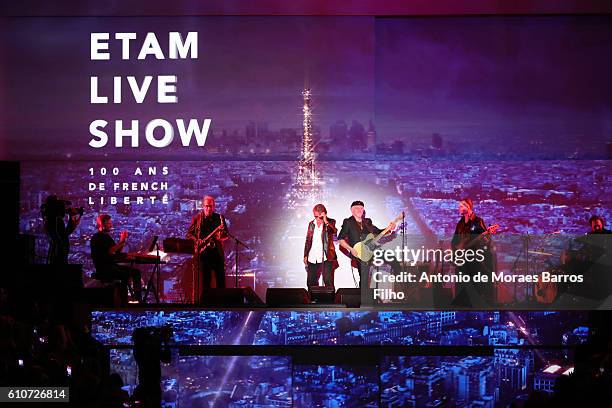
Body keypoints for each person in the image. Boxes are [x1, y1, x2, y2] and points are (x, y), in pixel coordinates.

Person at [338, 201, 397, 291]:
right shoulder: (348, 222)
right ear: (352, 210)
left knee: (392, 258)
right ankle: (363, 300)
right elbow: (340, 239)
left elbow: (378, 233)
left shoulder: (367, 222)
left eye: (362, 208)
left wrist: (389, 228)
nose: (360, 210)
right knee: (364, 277)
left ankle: (403, 280)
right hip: (359, 253)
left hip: (371, 251)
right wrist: (351, 249)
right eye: (357, 208)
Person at [450, 198, 496, 306]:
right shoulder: (460, 223)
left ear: (468, 207)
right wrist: (457, 250)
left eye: (461, 206)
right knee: (461, 288)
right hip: (461, 262)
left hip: (474, 262)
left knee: (473, 292)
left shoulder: (478, 221)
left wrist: (485, 237)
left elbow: (486, 242)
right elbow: (454, 241)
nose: (459, 208)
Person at [90, 214, 142, 302]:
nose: (111, 225)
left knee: (134, 272)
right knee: (133, 273)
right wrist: (121, 243)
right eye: (109, 223)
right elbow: (110, 251)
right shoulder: (98, 237)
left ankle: (128, 299)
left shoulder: (106, 236)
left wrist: (122, 240)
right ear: (102, 224)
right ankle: (133, 300)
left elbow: (116, 250)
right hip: (105, 269)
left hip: (110, 266)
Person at [186, 196, 229, 300]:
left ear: (214, 207)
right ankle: (207, 304)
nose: (208, 209)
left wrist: (220, 236)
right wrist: (197, 241)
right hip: (204, 255)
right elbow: (189, 235)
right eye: (206, 206)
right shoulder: (197, 219)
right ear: (203, 207)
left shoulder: (220, 218)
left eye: (210, 206)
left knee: (221, 282)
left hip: (217, 254)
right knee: (206, 283)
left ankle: (222, 304)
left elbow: (226, 234)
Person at [304, 204, 338, 288]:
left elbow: (334, 232)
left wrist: (326, 221)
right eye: (315, 216)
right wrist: (305, 255)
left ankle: (330, 301)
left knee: (328, 282)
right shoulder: (311, 224)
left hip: (326, 257)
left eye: (319, 217)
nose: (317, 219)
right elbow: (308, 241)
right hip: (312, 257)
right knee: (311, 282)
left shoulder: (331, 222)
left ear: (324, 214)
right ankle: (312, 300)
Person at [42, 195, 81, 264]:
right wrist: (73, 219)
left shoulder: (51, 219)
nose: (64, 209)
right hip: (59, 255)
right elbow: (64, 235)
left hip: (57, 254)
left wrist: (73, 219)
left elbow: (64, 234)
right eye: (62, 206)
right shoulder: (56, 220)